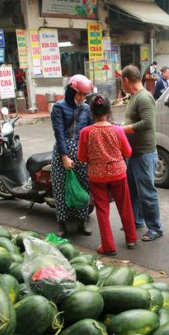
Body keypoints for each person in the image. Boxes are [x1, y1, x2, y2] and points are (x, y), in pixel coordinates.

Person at [78, 94, 137, 256]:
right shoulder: (117, 130)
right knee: (125, 206)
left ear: (92, 112)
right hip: (118, 173)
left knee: (102, 210)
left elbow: (81, 157)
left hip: (97, 177)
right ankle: (131, 239)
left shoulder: (86, 132)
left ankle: (108, 246)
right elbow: (128, 152)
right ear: (108, 111)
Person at [121, 65, 164, 242]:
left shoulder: (144, 97)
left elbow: (147, 123)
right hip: (133, 153)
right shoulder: (133, 97)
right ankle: (136, 221)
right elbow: (134, 120)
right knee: (132, 191)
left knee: (147, 192)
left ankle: (155, 227)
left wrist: (122, 129)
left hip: (144, 154)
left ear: (125, 81)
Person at [50, 74, 95, 238]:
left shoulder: (87, 108)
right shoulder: (58, 107)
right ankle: (62, 223)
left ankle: (82, 220)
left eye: (85, 95)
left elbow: (90, 131)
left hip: (82, 153)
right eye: (80, 94)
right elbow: (59, 133)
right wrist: (64, 157)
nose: (83, 98)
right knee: (61, 187)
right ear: (71, 91)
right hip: (63, 153)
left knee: (83, 186)